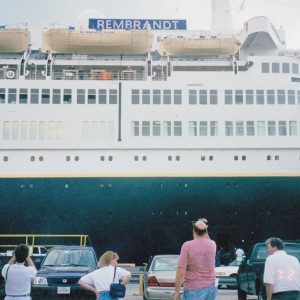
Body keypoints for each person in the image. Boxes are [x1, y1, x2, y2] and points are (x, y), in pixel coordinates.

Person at [174, 219, 217, 300]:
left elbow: (181, 272)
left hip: (193, 289)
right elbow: (207, 238)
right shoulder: (213, 245)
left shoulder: (187, 246)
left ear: (193, 231)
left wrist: (176, 291)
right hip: (211, 288)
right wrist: (204, 225)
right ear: (206, 231)